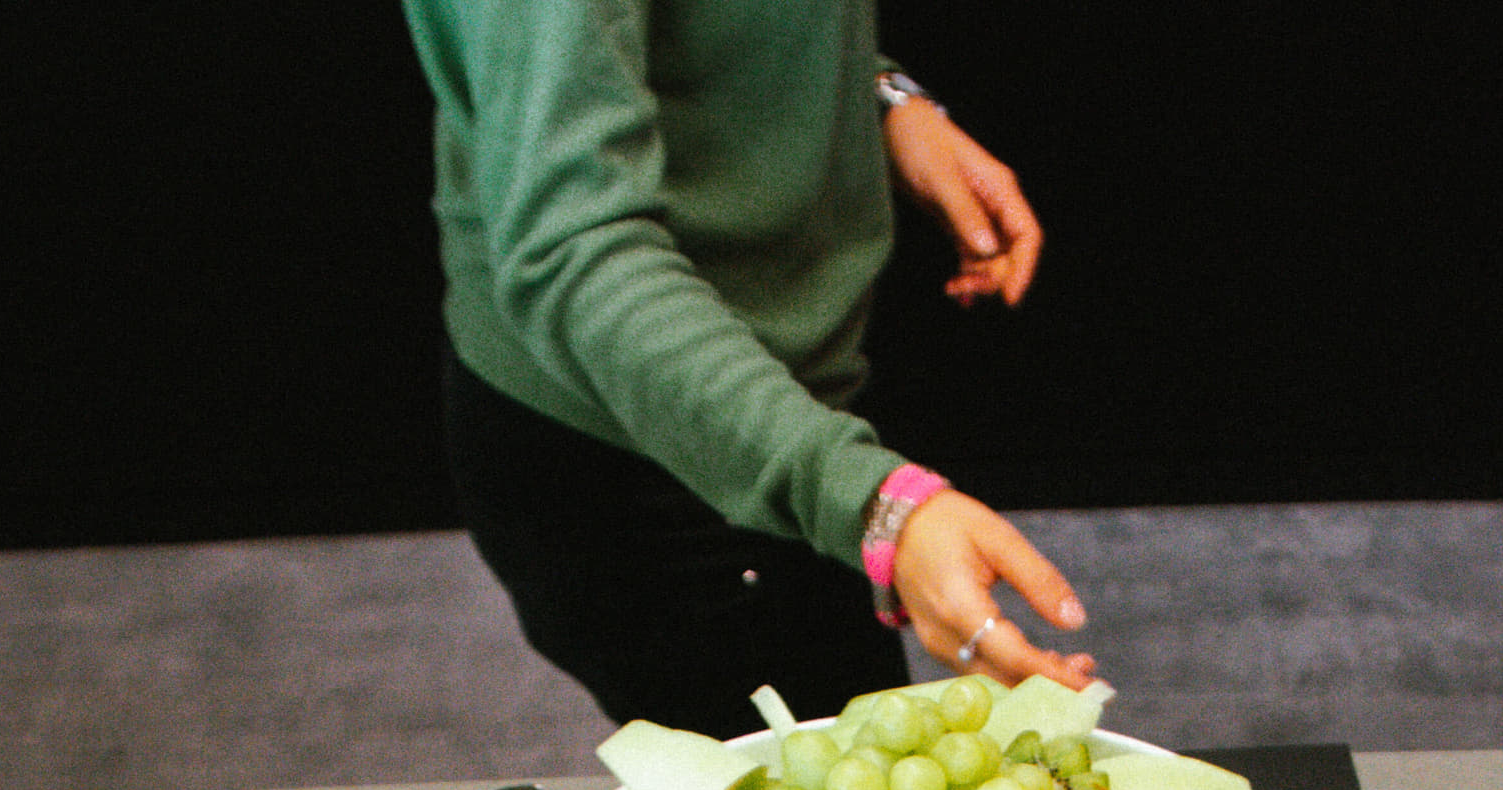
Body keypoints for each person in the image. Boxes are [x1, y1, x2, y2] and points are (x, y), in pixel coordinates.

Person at [401, 0, 1098, 736]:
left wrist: (883, 98)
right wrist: (870, 503)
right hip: (651, 444)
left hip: (778, 413)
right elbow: (576, 252)